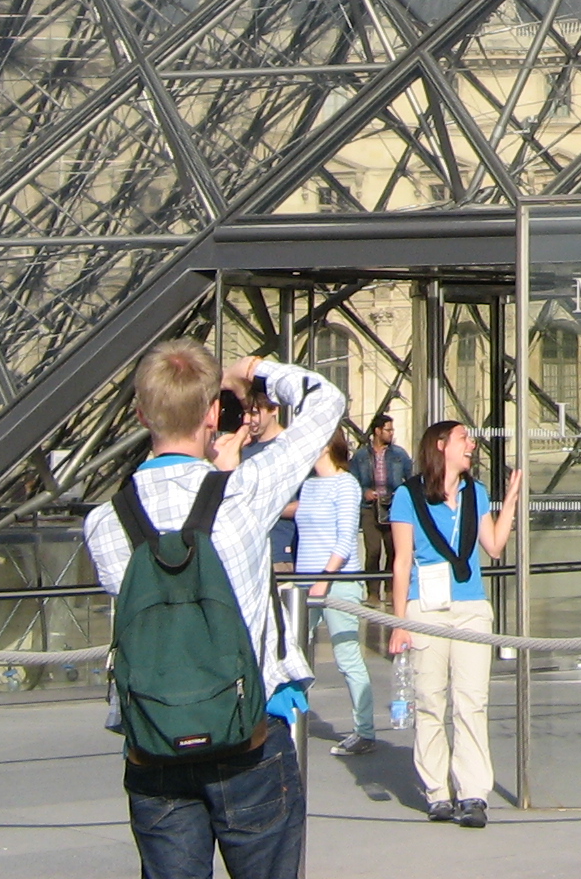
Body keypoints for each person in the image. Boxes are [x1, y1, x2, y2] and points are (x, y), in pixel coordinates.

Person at [84, 342, 343, 879]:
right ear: (211, 413)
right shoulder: (245, 492)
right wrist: (251, 370)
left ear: (141, 415)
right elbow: (327, 400)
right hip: (247, 737)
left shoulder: (105, 521)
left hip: (155, 741)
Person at [388, 419, 523, 828]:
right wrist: (399, 622)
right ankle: (437, 792)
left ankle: (473, 792)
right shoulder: (407, 496)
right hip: (425, 608)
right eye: (464, 438)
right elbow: (402, 561)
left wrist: (510, 501)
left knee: (472, 701)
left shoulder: (475, 493)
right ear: (441, 445)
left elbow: (494, 546)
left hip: (470, 607)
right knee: (430, 701)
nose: (472, 445)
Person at [293, 425, 374, 756]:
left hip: (337, 581)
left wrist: (324, 578)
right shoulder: (310, 485)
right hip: (304, 581)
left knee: (347, 655)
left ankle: (364, 730)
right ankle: (289, 721)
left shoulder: (346, 484)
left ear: (326, 445)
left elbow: (345, 538)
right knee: (292, 652)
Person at [352, 413, 413, 605]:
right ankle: (373, 592)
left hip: (393, 506)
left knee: (393, 549)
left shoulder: (399, 455)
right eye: (388, 429)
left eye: (392, 429)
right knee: (373, 550)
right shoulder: (361, 456)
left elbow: (410, 478)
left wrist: (401, 496)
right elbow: (353, 481)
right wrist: (365, 492)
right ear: (377, 431)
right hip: (370, 508)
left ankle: (391, 589)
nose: (391, 433)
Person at [241, 380, 301, 573]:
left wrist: (264, 507)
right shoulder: (243, 451)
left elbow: (309, 504)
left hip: (280, 553)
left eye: (254, 413)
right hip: (248, 555)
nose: (248, 420)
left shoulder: (292, 449)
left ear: (274, 409)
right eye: (245, 413)